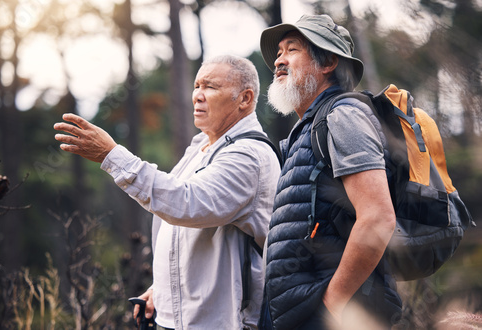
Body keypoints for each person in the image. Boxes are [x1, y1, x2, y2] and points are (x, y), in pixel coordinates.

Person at [54, 55, 281, 329]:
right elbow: (185, 236)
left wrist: (111, 156)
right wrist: (164, 292)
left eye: (210, 87)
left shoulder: (248, 155)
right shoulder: (202, 148)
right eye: (196, 86)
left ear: (244, 99)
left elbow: (186, 203)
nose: (197, 95)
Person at [258, 15, 403, 329]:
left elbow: (378, 216)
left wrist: (332, 304)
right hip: (298, 312)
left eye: (292, 50)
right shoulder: (306, 130)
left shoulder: (343, 116)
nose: (279, 61)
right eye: (278, 52)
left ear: (329, 62)